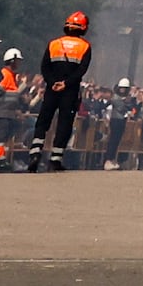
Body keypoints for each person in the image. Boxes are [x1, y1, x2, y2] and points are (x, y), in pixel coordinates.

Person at [34, 12, 92, 170]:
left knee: (43, 120)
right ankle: (55, 159)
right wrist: (66, 83)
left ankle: (35, 152)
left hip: (51, 88)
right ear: (83, 28)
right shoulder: (85, 46)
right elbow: (82, 70)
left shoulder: (53, 44)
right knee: (64, 124)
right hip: (70, 90)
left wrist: (53, 82)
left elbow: (44, 67)